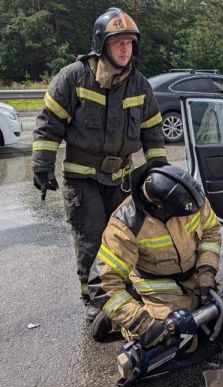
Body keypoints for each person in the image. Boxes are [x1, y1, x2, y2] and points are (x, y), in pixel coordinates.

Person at [31, 8, 167, 321]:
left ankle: (121, 293)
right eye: (118, 42)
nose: (125, 48)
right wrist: (42, 164)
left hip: (120, 179)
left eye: (130, 43)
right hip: (83, 179)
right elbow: (49, 122)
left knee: (123, 238)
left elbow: (153, 131)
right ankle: (94, 302)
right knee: (91, 239)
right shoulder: (73, 78)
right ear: (102, 45)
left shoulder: (139, 85)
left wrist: (158, 171)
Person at [87, 163, 221, 349]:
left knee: (219, 319)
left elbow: (211, 233)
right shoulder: (125, 225)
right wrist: (142, 324)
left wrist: (206, 272)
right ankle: (121, 322)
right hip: (158, 286)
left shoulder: (189, 200)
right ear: (159, 208)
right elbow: (102, 284)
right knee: (179, 339)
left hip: (194, 277)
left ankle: (137, 303)